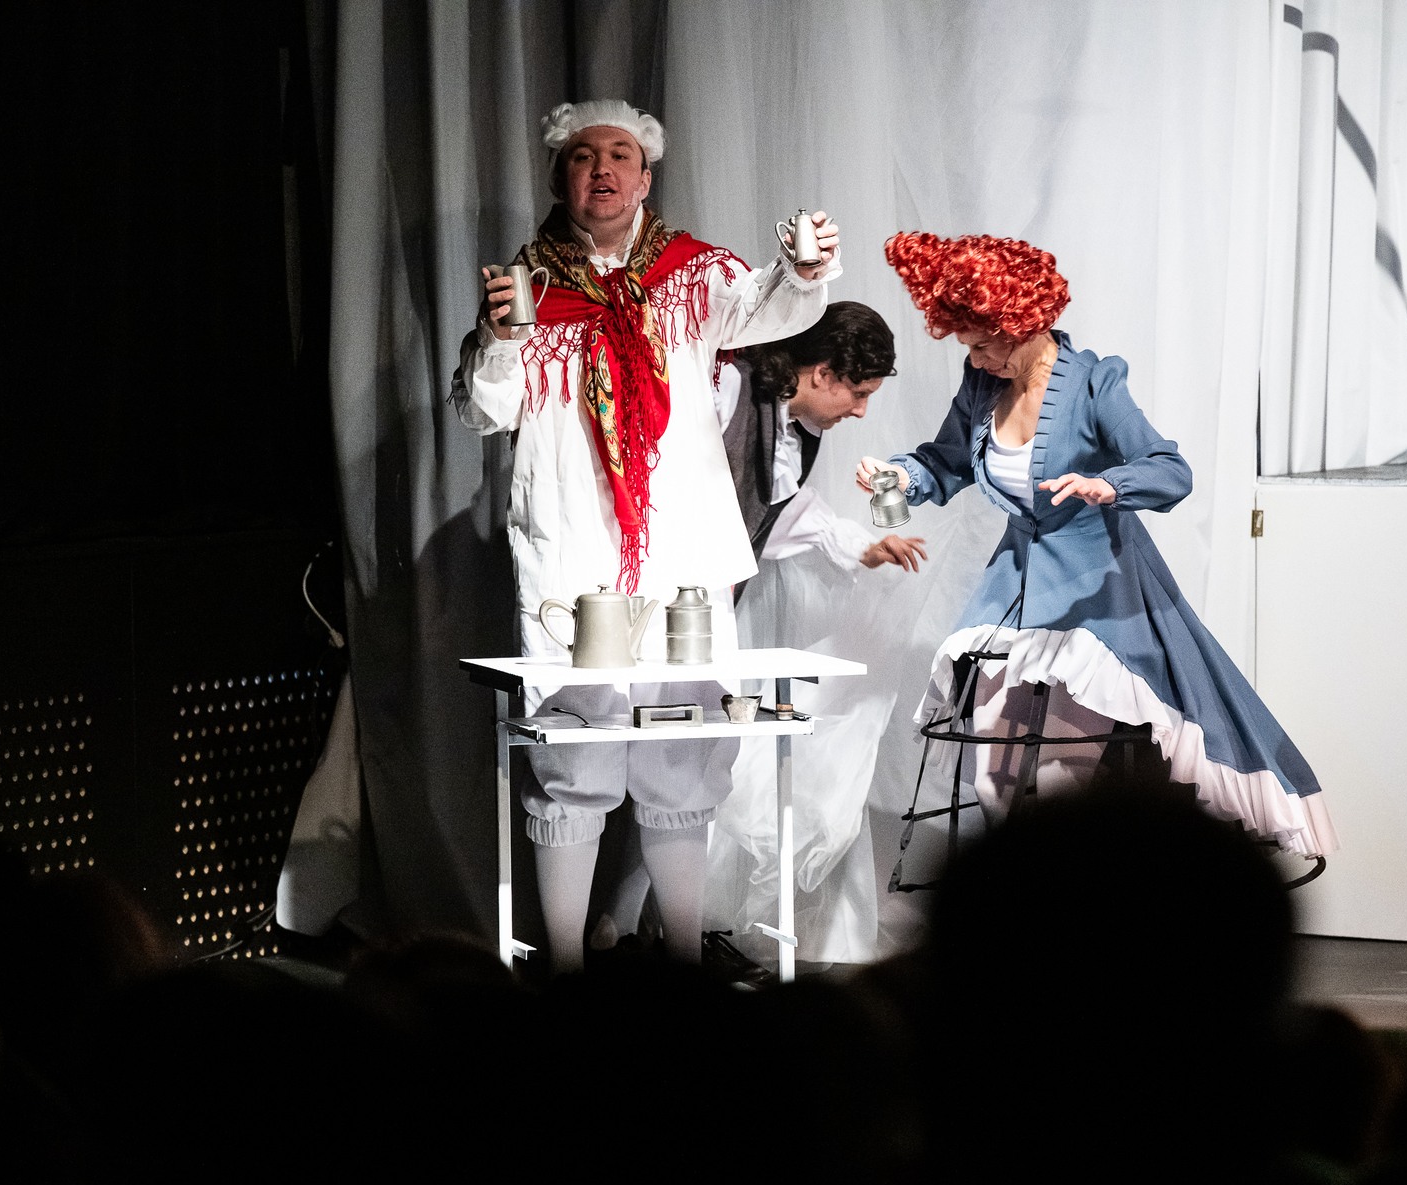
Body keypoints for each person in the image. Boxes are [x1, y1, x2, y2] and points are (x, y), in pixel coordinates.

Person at [449, 98, 842, 970]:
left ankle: (685, 964)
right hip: (573, 559)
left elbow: (767, 308)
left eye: (620, 155)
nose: (602, 170)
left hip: (678, 559)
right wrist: (504, 336)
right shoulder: (528, 286)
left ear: (645, 177)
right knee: (573, 760)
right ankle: (566, 973)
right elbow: (486, 410)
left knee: (683, 751)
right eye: (583, 156)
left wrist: (804, 269)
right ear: (560, 177)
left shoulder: (691, 276)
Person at [859, 231, 1334, 854]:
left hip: (1093, 598)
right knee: (994, 777)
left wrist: (1109, 486)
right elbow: (945, 461)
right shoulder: (982, 385)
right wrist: (899, 477)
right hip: (1013, 589)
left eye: (980, 344)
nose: (973, 359)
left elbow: (1171, 470)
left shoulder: (1093, 383)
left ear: (1018, 324)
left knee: (1061, 779)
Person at [719, 300, 925, 583]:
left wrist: (865, 550)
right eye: (859, 394)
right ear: (823, 374)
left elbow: (780, 511)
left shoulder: (795, 430)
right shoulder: (730, 388)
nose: (861, 411)